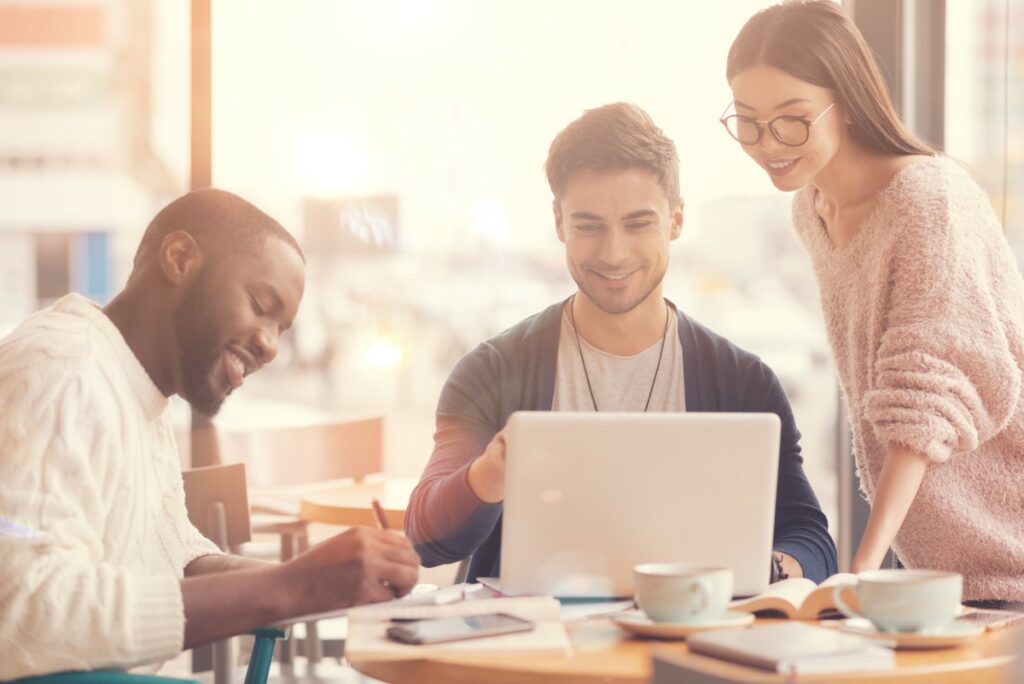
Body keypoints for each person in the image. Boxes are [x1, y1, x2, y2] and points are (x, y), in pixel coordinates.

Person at [405, 103, 837, 586]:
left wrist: (773, 568)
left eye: (638, 224)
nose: (613, 253)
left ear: (675, 220)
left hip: (684, 647)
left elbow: (811, 539)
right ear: (558, 222)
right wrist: (489, 473)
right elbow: (425, 537)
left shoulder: (743, 382)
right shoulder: (492, 371)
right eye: (589, 226)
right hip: (537, 651)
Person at [0, 189, 419, 680]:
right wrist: (292, 588)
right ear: (179, 258)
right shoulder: (64, 370)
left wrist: (318, 578)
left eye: (282, 329)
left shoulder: (138, 397)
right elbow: (22, 608)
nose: (270, 346)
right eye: (261, 304)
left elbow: (173, 552)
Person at [724, 1, 1024, 602]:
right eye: (748, 121)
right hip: (936, 573)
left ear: (847, 103)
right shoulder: (811, 209)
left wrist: (860, 571)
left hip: (1009, 553)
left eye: (792, 119)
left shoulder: (926, 198)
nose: (767, 144)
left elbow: (923, 400)